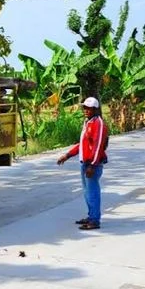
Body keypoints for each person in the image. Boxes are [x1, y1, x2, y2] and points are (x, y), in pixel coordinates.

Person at [56, 97, 108, 230]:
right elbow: (83, 144)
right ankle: (91, 216)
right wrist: (67, 155)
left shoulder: (98, 123)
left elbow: (98, 146)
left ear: (96, 109)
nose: (86, 110)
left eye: (89, 108)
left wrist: (93, 165)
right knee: (87, 192)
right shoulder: (88, 122)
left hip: (92, 165)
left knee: (93, 193)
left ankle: (94, 220)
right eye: (84, 107)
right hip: (85, 163)